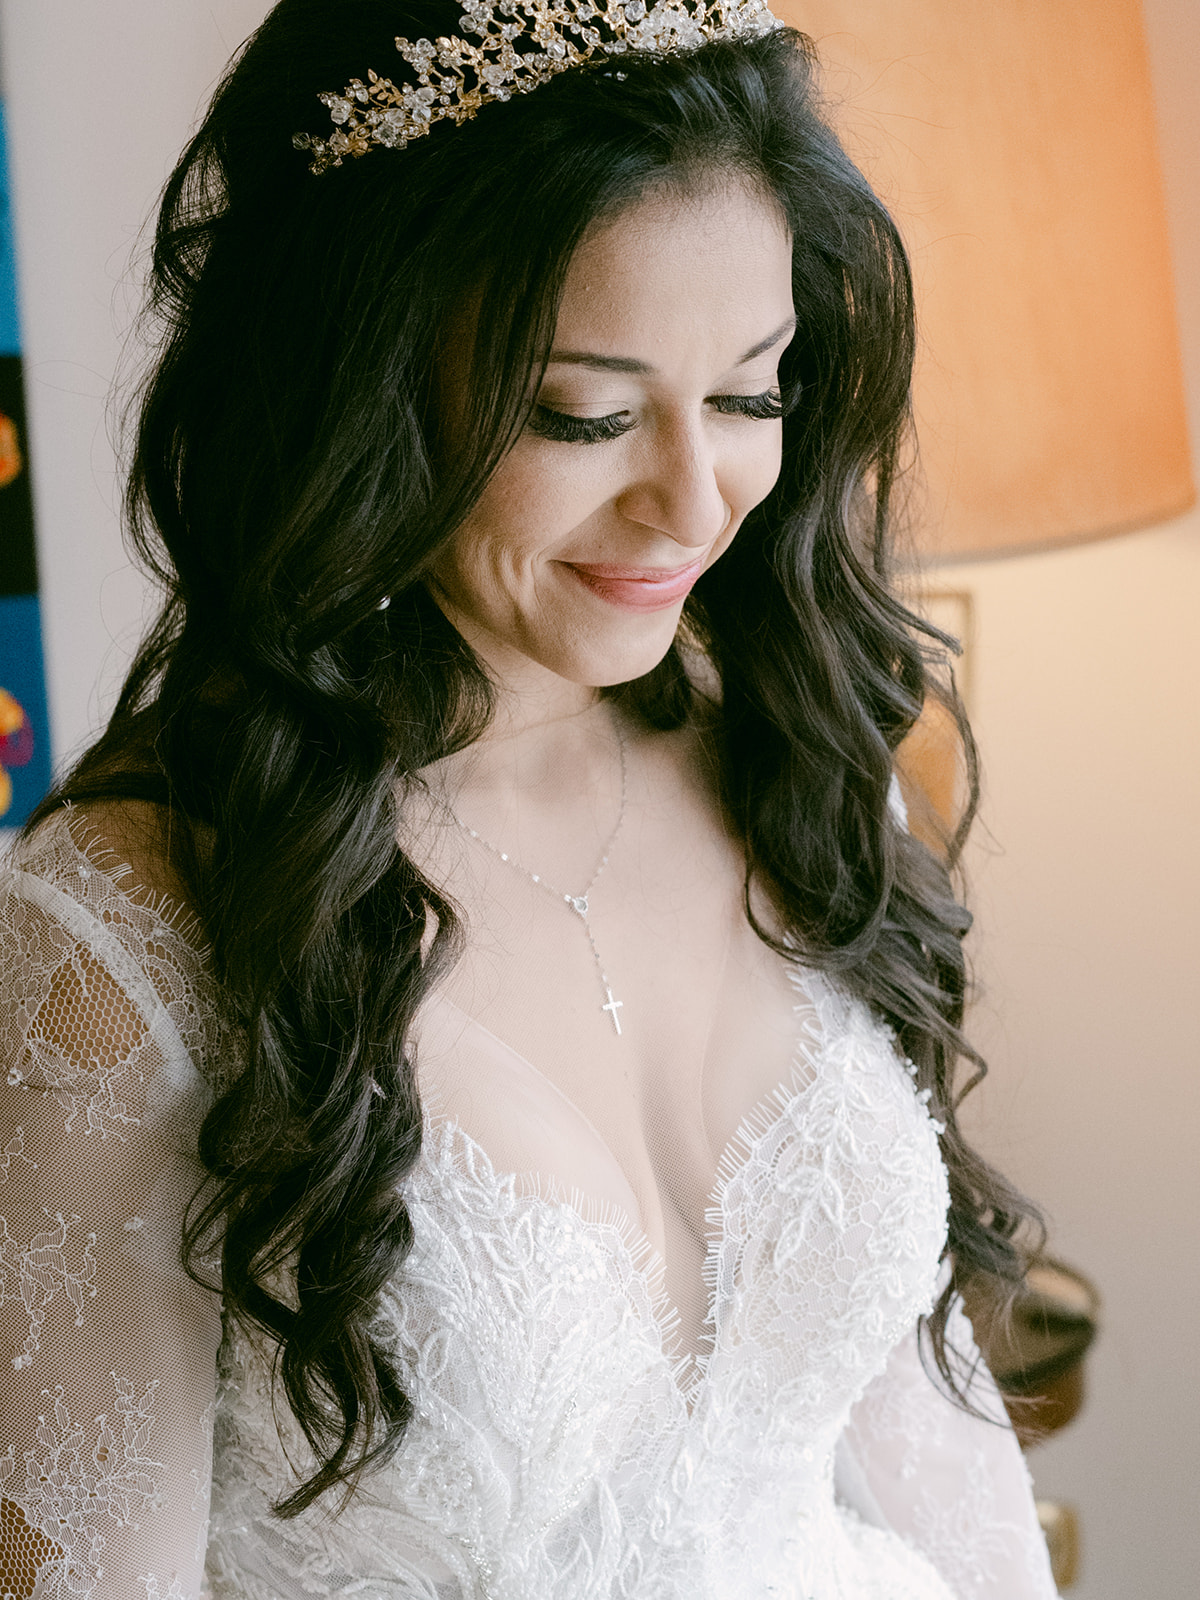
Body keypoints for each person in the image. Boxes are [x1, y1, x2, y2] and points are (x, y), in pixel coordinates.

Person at [0, 1, 1060, 1595]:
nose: (693, 502)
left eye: (753, 394)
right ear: (362, 382)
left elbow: (933, 1445)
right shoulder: (125, 936)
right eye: (586, 414)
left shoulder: (802, 777)